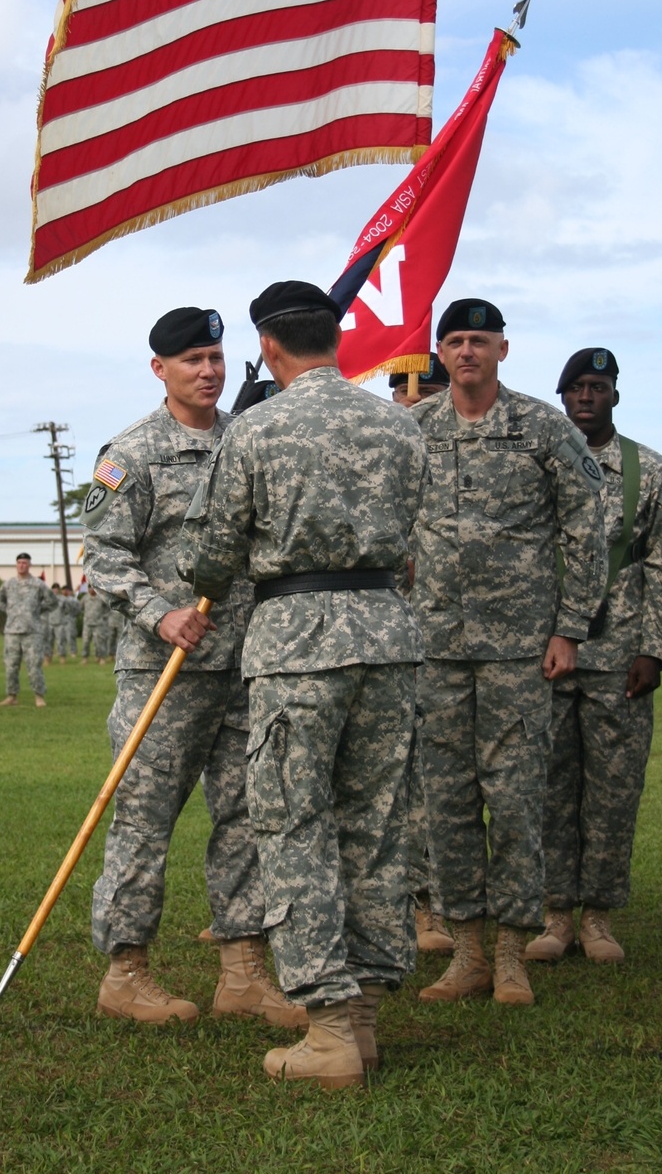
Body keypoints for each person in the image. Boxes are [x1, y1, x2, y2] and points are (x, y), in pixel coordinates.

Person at [178, 281, 428, 1088]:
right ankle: (366, 1019)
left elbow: (210, 557)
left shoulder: (256, 429)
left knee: (292, 825)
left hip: (299, 641)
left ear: (270, 349)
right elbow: (415, 539)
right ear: (338, 341)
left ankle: (326, 1027)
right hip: (388, 635)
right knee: (378, 825)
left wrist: (217, 566)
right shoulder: (399, 424)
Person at [83, 305, 300, 1030]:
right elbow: (103, 559)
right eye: (191, 362)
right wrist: (160, 612)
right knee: (144, 822)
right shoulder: (134, 453)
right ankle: (126, 970)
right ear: (161, 370)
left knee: (246, 818)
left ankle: (242, 970)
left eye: (215, 358)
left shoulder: (248, 440)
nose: (207, 372)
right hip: (164, 674)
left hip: (246, 667)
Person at [410, 299, 607, 1007]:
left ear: (503, 349)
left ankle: (512, 954)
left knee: (517, 796)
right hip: (435, 646)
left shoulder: (542, 429)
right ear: (441, 351)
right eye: (456, 341)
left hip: (521, 647)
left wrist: (570, 627)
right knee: (447, 800)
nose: (467, 352)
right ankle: (464, 951)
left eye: (480, 341)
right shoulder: (415, 430)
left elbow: (588, 528)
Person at [527, 349, 662, 965]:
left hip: (619, 659)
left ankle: (600, 918)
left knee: (615, 790)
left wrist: (652, 650)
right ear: (562, 398)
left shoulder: (651, 470)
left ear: (615, 395)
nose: (587, 397)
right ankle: (556, 914)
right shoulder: (538, 464)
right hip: (546, 654)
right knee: (550, 787)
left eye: (599, 387)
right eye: (577, 388)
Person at [386, 358, 453, 955]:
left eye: (428, 393)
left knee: (434, 784)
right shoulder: (377, 463)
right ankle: (393, 902)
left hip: (442, 645)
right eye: (407, 392)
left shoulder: (456, 465)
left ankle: (432, 904)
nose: (414, 404)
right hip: (380, 642)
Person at [0, 553, 58, 707]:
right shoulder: (8, 584)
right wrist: (10, 611)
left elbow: (52, 601)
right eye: (19, 563)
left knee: (34, 665)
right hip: (12, 631)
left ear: (29, 565)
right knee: (11, 665)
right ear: (16, 565)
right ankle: (11, 696)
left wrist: (36, 611)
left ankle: (39, 696)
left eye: (24, 563)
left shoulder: (38, 584)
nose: (21, 565)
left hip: (32, 630)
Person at [81, 586, 110, 664]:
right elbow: (81, 607)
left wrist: (103, 617)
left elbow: (107, 608)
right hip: (87, 624)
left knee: (99, 642)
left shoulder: (101, 598)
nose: (91, 589)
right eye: (90, 588)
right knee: (85, 641)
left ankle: (102, 658)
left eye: (93, 588)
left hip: (98, 624)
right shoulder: (85, 598)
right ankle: (85, 658)